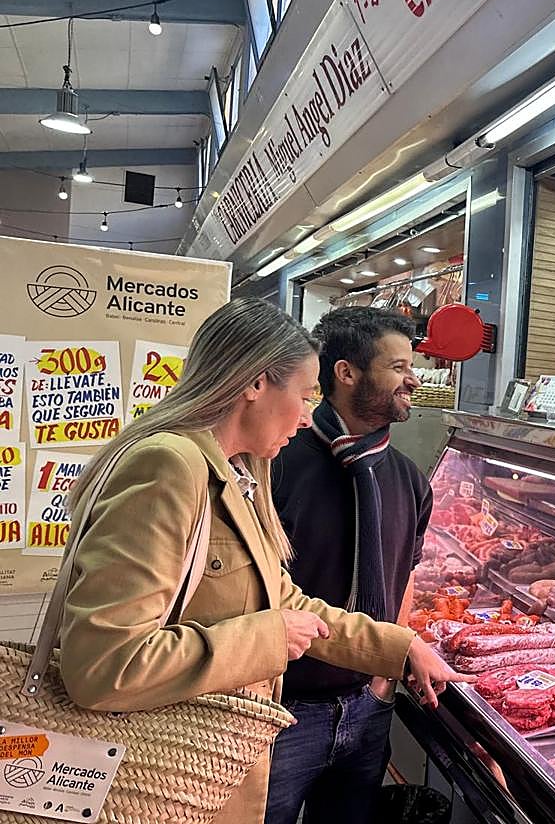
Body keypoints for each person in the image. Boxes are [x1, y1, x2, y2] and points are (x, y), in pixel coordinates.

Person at [58, 298, 471, 824]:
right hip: (175, 762)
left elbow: (286, 598)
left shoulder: (236, 472)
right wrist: (271, 636)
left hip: (222, 746)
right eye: (302, 396)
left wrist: (397, 645)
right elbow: (103, 666)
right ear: (254, 384)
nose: (304, 417)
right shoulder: (170, 466)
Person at [265, 307, 430, 824]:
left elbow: (405, 575)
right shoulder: (278, 462)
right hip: (281, 710)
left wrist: (383, 676)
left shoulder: (408, 477)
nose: (413, 379)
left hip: (367, 706)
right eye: (399, 367)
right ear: (347, 373)